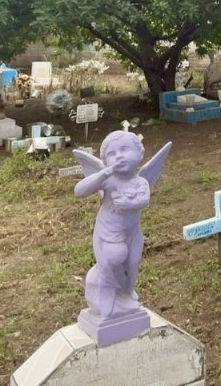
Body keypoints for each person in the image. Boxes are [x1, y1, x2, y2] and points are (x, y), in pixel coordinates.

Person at [75, 131, 151, 315]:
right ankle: (110, 292)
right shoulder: (108, 181)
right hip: (109, 232)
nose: (119, 156)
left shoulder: (141, 182)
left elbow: (144, 201)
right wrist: (103, 174)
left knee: (133, 263)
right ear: (105, 161)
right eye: (112, 153)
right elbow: (79, 191)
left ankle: (127, 291)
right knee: (116, 257)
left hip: (133, 233)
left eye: (124, 149)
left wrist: (128, 204)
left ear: (140, 153)